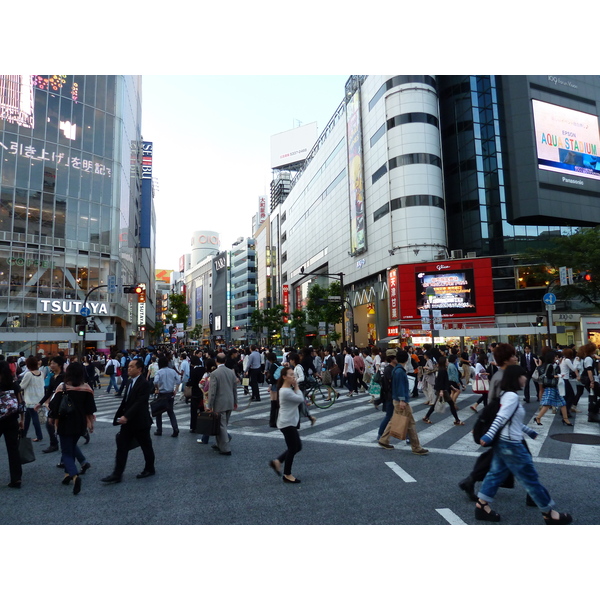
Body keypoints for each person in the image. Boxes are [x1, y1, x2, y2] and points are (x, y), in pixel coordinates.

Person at [474, 364, 573, 524]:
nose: (525, 378)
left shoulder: (507, 394)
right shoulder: (511, 397)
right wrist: (489, 435)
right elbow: (501, 418)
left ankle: (481, 506)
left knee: (495, 474)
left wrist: (528, 430)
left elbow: (511, 419)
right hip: (512, 445)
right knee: (530, 478)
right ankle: (549, 513)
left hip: (504, 443)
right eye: (523, 375)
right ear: (516, 378)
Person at [458, 343, 523, 501]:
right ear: (506, 360)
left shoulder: (503, 374)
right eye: (513, 356)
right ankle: (534, 491)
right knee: (518, 456)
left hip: (505, 424)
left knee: (499, 457)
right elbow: (495, 404)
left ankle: (472, 480)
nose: (515, 358)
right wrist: (486, 426)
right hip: (502, 425)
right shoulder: (502, 377)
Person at [101, 358, 156, 483]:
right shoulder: (130, 382)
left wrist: (127, 416)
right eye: (128, 366)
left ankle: (150, 468)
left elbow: (140, 402)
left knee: (146, 446)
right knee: (122, 446)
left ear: (139, 369)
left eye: (131, 366)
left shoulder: (144, 383)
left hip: (141, 421)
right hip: (128, 422)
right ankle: (117, 474)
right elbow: (126, 401)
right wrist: (120, 415)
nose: (128, 368)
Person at [49, 362, 96, 495]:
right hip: (80, 422)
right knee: (71, 446)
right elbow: (90, 408)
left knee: (66, 452)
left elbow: (54, 406)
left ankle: (74, 475)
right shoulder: (86, 387)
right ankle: (67, 475)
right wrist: (90, 423)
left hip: (65, 422)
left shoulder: (62, 387)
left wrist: (52, 419)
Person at [377, 350, 429, 455]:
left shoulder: (396, 369)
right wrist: (402, 400)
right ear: (407, 359)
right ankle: (416, 447)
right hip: (401, 400)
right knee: (410, 423)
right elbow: (400, 386)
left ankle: (384, 440)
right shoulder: (400, 371)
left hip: (397, 399)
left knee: (395, 421)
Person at [269, 366, 304, 483]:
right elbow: (300, 399)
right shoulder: (285, 391)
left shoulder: (287, 389)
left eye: (294, 374)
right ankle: (287, 474)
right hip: (286, 423)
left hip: (288, 422)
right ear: (284, 377)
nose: (293, 377)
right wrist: (297, 386)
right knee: (294, 447)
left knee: (296, 447)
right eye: (291, 375)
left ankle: (278, 462)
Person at [206, 352, 238, 455]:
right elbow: (234, 388)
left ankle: (225, 448)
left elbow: (212, 391)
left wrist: (209, 405)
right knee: (223, 424)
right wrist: (235, 401)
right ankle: (219, 444)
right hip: (230, 401)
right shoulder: (231, 372)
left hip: (220, 403)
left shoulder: (215, 373)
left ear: (216, 361)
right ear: (225, 361)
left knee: (221, 425)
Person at [0, 361, 24, 488]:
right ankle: (16, 478)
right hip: (12, 420)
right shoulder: (14, 384)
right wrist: (22, 420)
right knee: (13, 449)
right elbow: (21, 403)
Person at [534, 350, 572, 426]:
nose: (556, 358)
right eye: (555, 357)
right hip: (551, 387)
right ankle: (538, 417)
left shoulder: (551, 365)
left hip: (553, 387)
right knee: (549, 404)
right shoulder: (550, 365)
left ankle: (565, 418)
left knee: (562, 403)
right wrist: (557, 376)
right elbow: (548, 375)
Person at [422, 356, 464, 425]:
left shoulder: (442, 370)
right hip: (442, 391)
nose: (447, 362)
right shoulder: (442, 370)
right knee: (450, 404)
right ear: (444, 362)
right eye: (446, 361)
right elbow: (441, 381)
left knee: (437, 405)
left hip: (443, 390)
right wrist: (441, 391)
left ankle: (426, 417)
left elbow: (445, 381)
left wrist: (452, 388)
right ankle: (457, 420)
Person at [153, 355, 180, 437]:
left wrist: (157, 389)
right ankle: (175, 428)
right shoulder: (172, 371)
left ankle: (159, 430)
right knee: (171, 412)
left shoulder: (159, 372)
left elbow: (155, 381)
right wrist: (175, 390)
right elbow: (178, 381)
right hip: (170, 393)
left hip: (162, 394)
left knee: (158, 412)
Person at [20, 356, 45, 442]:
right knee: (28, 417)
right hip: (39, 398)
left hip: (30, 399)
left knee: (34, 418)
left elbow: (22, 386)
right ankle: (24, 434)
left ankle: (39, 435)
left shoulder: (29, 374)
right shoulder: (41, 373)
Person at [188, 354, 205, 433]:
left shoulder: (193, 370)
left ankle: (194, 426)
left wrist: (188, 384)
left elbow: (193, 382)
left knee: (194, 410)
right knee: (202, 409)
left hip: (195, 392)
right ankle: (203, 425)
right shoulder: (203, 369)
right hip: (203, 391)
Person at [266, 351, 282, 428]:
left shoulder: (273, 366)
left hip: (274, 386)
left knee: (273, 404)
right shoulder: (279, 364)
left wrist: (269, 386)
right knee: (278, 404)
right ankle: (278, 420)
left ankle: (272, 422)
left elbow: (272, 378)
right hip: (280, 385)